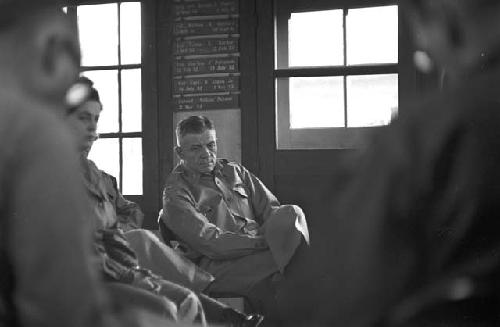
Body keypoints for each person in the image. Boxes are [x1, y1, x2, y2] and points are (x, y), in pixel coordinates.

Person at [273, 0, 500, 326]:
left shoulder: (422, 140)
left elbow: (331, 305)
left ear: (446, 18)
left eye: (420, 29)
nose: (422, 50)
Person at [66, 76, 263, 327]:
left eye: (96, 120)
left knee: (178, 289)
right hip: (82, 273)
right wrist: (126, 267)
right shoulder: (44, 175)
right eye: (83, 118)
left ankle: (231, 318)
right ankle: (224, 312)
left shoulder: (99, 178)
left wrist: (123, 240)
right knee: (146, 246)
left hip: (116, 259)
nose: (93, 131)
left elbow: (127, 214)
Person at [161, 115, 310, 321]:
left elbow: (272, 210)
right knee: (295, 266)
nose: (206, 154)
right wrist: (263, 243)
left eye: (210, 145)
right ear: (180, 152)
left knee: (292, 212)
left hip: (262, 249)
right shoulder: (176, 194)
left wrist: (278, 237)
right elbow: (212, 243)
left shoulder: (236, 171)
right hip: (217, 266)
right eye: (195, 148)